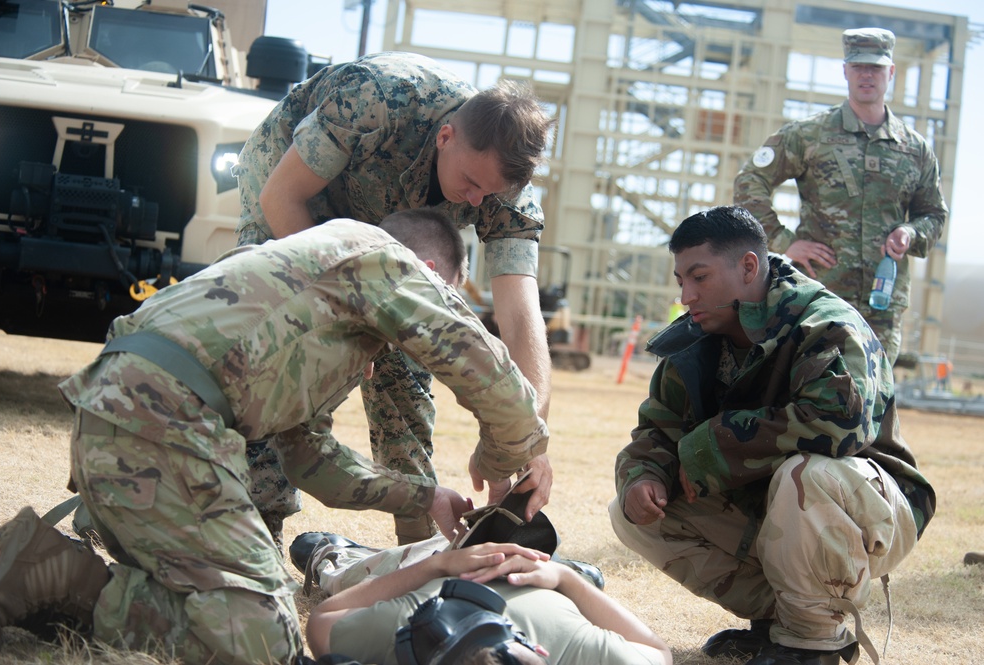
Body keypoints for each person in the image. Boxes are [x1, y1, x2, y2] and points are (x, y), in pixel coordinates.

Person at [0, 209, 549, 665]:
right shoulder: (385, 260)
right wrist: (509, 456)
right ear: (430, 270)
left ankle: (43, 572)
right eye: (446, 291)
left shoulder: (305, 281)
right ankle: (54, 574)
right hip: (165, 425)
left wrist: (427, 496)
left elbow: (309, 459)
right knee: (266, 642)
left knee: (224, 607)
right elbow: (493, 376)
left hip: (116, 417)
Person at [235, 51, 557, 547]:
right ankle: (257, 524)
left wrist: (526, 440)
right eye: (470, 183)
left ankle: (417, 545)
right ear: (445, 136)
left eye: (487, 195)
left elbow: (519, 317)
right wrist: (349, 315)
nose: (475, 202)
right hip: (299, 197)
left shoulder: (502, 192)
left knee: (405, 367)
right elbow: (281, 199)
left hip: (403, 241)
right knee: (278, 350)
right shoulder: (374, 98)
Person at [608, 206, 935, 665]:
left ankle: (812, 640)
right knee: (632, 512)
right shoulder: (698, 339)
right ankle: (781, 621)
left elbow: (840, 424)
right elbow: (655, 429)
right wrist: (643, 476)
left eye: (699, 277)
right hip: (782, 509)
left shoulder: (823, 324)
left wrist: (709, 449)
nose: (686, 295)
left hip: (868, 510)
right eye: (680, 279)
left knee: (807, 475)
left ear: (748, 267)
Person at [733, 27, 947, 366]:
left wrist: (911, 232)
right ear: (845, 70)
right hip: (819, 295)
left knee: (874, 399)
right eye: (858, 66)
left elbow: (934, 214)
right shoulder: (808, 135)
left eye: (876, 67)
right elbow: (750, 181)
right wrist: (782, 240)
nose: (867, 74)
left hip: (882, 304)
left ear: (890, 72)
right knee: (808, 392)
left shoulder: (915, 149)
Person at [300, 538, 672, 665]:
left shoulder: (400, 622)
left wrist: (439, 563)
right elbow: (658, 652)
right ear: (542, 651)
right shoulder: (578, 647)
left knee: (364, 568)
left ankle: (338, 555)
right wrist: (566, 580)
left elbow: (321, 618)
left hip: (454, 563)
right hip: (528, 575)